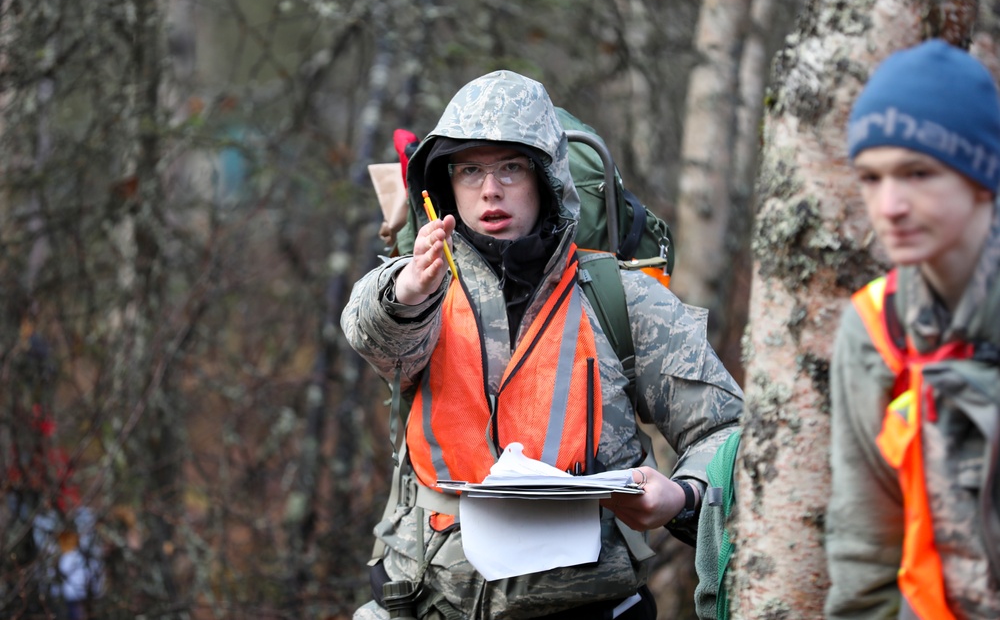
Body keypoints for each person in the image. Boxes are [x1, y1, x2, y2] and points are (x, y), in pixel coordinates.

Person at [341, 70, 744, 619]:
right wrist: (409, 289)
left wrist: (684, 494)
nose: (490, 189)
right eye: (470, 170)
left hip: (586, 608)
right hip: (421, 603)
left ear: (548, 177)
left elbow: (729, 431)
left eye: (511, 167)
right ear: (444, 186)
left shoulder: (619, 298)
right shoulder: (415, 288)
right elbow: (373, 334)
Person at [825, 39, 1000, 619]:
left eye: (917, 173)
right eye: (871, 178)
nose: (890, 205)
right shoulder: (877, 327)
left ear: (983, 175)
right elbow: (865, 548)